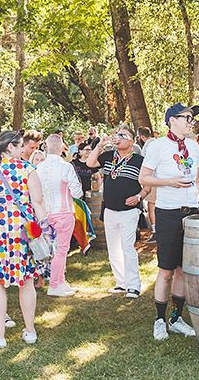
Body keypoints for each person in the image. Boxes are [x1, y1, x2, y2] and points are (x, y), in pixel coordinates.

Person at [139, 103, 199, 340]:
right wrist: (168, 182)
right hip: (168, 212)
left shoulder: (193, 145)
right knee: (166, 270)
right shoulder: (157, 146)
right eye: (187, 117)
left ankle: (176, 318)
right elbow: (144, 178)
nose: (191, 122)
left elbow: (197, 182)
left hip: (191, 213)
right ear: (172, 120)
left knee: (183, 270)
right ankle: (159, 320)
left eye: (192, 118)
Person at [0, 130, 48, 348]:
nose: (23, 149)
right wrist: (45, 229)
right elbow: (38, 202)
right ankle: (30, 331)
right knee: (27, 280)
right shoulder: (28, 169)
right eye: (21, 145)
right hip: (23, 229)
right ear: (10, 147)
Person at [88, 127, 150, 299]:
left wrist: (138, 197)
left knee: (127, 247)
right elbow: (90, 163)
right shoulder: (108, 156)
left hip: (129, 211)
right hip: (109, 209)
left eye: (123, 135)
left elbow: (147, 186)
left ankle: (133, 285)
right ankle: (121, 282)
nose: (119, 138)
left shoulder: (139, 160)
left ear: (132, 141)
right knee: (113, 248)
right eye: (118, 135)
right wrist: (100, 145)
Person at [35, 134, 82, 297]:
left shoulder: (39, 168)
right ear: (62, 147)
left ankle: (61, 282)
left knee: (55, 250)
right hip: (63, 212)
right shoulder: (66, 167)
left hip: (44, 214)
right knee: (61, 250)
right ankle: (54, 285)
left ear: (46, 147)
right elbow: (77, 193)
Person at [137, 126, 157, 242]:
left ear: (142, 137)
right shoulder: (157, 143)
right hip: (159, 178)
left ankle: (155, 231)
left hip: (152, 178)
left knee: (151, 205)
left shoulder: (149, 146)